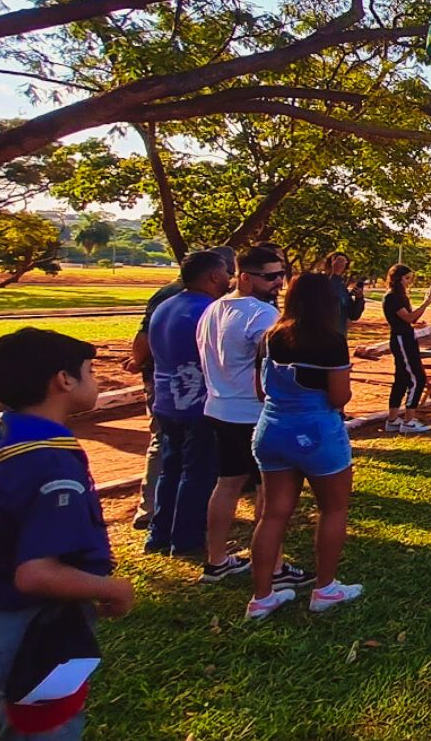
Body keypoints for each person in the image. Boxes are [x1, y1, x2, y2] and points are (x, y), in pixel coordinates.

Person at [0, 328, 136, 738]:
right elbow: (36, 574)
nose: (94, 379)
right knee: (47, 733)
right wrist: (112, 588)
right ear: (63, 380)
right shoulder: (51, 462)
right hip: (39, 635)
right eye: (89, 370)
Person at [248, 273, 363, 620]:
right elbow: (339, 396)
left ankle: (261, 597)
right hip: (317, 432)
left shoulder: (270, 336)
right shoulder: (330, 340)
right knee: (333, 509)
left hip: (272, 429)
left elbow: (260, 390)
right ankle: (325, 588)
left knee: (272, 514)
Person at [196, 246, 311, 589]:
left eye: (281, 275)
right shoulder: (260, 315)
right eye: (270, 276)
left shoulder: (212, 309)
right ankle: (273, 567)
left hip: (218, 408)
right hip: (251, 413)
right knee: (269, 491)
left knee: (227, 484)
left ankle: (216, 560)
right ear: (244, 277)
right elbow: (280, 364)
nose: (279, 282)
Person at [125, 246, 234, 531]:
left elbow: (145, 344)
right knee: (197, 472)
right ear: (213, 276)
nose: (229, 279)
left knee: (170, 468)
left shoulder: (165, 305)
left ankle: (160, 530)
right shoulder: (210, 311)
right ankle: (186, 536)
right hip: (198, 405)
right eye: (226, 272)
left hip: (166, 402)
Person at [382, 264, 431, 434]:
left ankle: (393, 419)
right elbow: (408, 317)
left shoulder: (400, 296)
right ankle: (409, 420)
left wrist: (415, 322)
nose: (409, 282)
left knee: (402, 378)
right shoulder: (392, 297)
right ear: (397, 279)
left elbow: (409, 319)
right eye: (406, 279)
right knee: (417, 378)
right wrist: (427, 303)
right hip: (401, 339)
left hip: (407, 336)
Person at [323, 251, 366, 335]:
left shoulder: (342, 287)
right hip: (322, 335)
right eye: (339, 261)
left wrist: (359, 299)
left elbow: (353, 315)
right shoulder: (319, 282)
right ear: (330, 263)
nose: (341, 265)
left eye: (344, 262)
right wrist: (333, 273)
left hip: (339, 336)